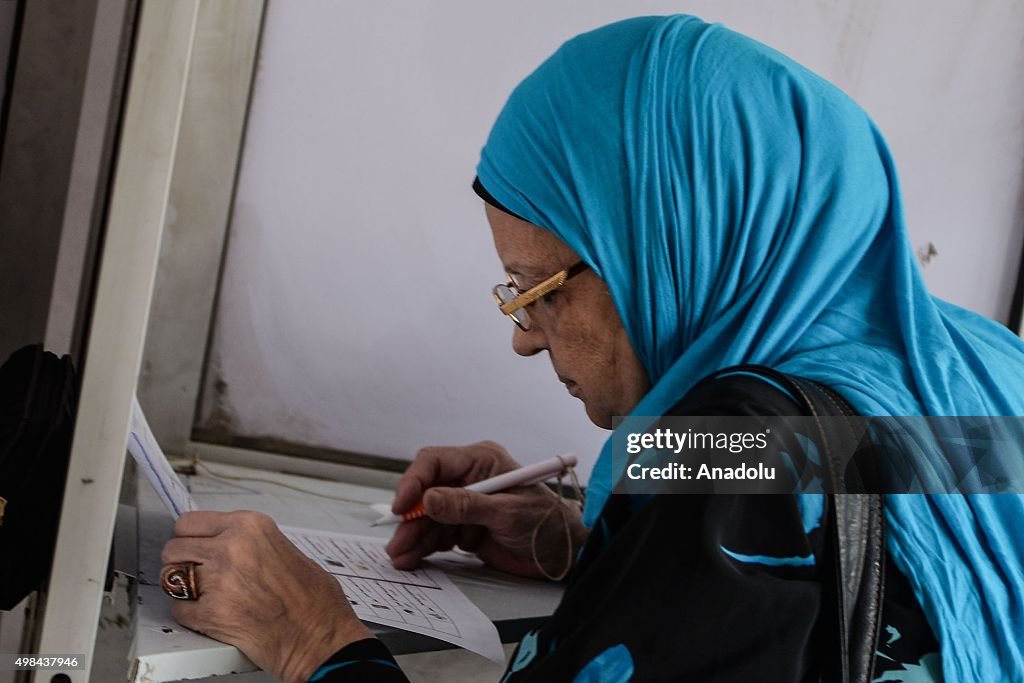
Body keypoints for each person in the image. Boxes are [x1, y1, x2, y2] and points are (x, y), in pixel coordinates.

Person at [160, 14, 1024, 682]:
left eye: (538, 291)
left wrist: (312, 635)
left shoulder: (735, 447)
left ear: (669, 242)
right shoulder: (980, 363)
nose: (521, 340)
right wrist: (591, 542)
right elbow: (827, 544)